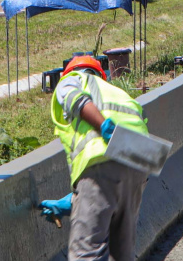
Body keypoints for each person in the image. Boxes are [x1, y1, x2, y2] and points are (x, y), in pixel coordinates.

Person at [40, 55, 149, 261]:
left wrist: (104, 126)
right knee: (122, 254)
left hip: (103, 159)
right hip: (140, 163)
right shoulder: (119, 93)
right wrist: (75, 200)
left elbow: (76, 100)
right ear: (101, 75)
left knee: (86, 253)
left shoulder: (72, 80)